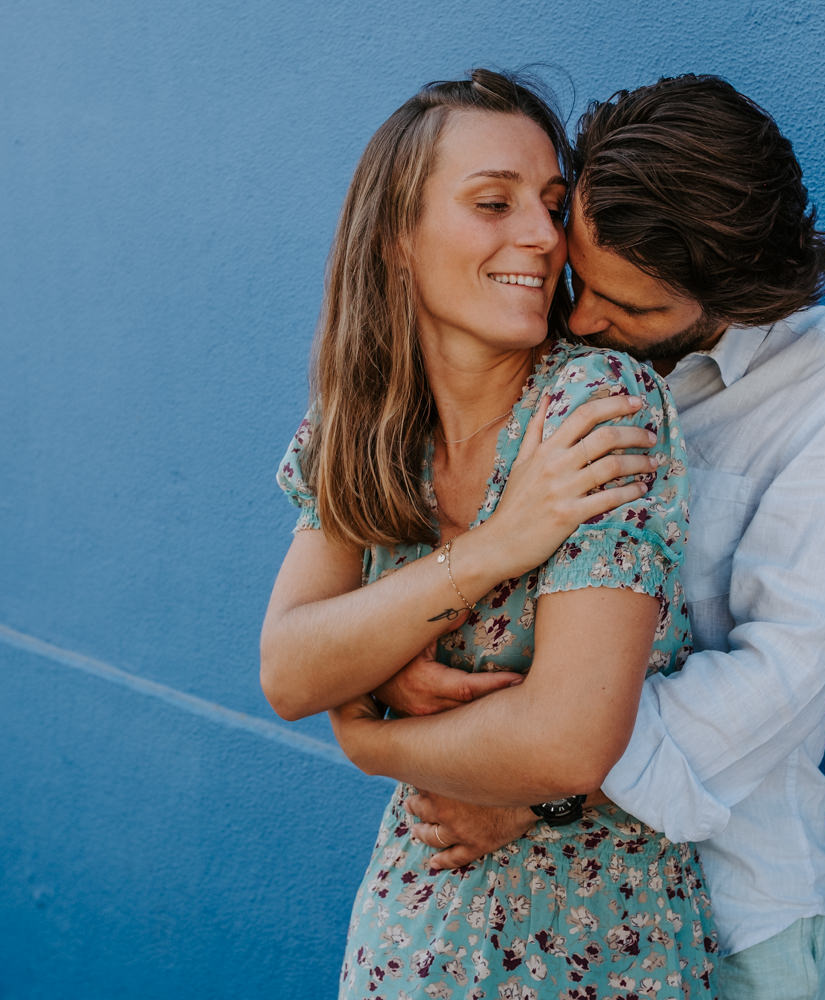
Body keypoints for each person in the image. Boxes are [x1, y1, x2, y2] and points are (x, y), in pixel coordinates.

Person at [331, 75, 825, 1000]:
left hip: (737, 911)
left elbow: (777, 678)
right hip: (530, 917)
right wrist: (401, 656)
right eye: (582, 279)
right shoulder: (551, 363)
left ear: (738, 297)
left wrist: (536, 782)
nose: (584, 319)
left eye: (631, 311)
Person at [260, 70, 720, 997]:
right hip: (413, 932)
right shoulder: (361, 427)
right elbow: (289, 668)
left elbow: (565, 742)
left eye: (552, 206)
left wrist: (370, 737)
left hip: (597, 948)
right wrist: (501, 544)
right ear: (397, 237)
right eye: (492, 203)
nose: (545, 240)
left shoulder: (597, 405)